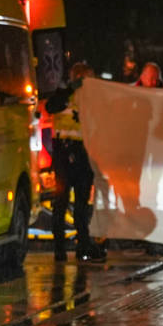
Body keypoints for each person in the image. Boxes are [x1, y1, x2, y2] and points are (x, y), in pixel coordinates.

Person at [43, 60, 104, 260]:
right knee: (61, 202)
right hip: (65, 152)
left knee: (81, 202)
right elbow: (51, 107)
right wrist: (68, 90)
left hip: (82, 153)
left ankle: (83, 244)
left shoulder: (92, 97)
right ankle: (60, 248)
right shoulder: (64, 94)